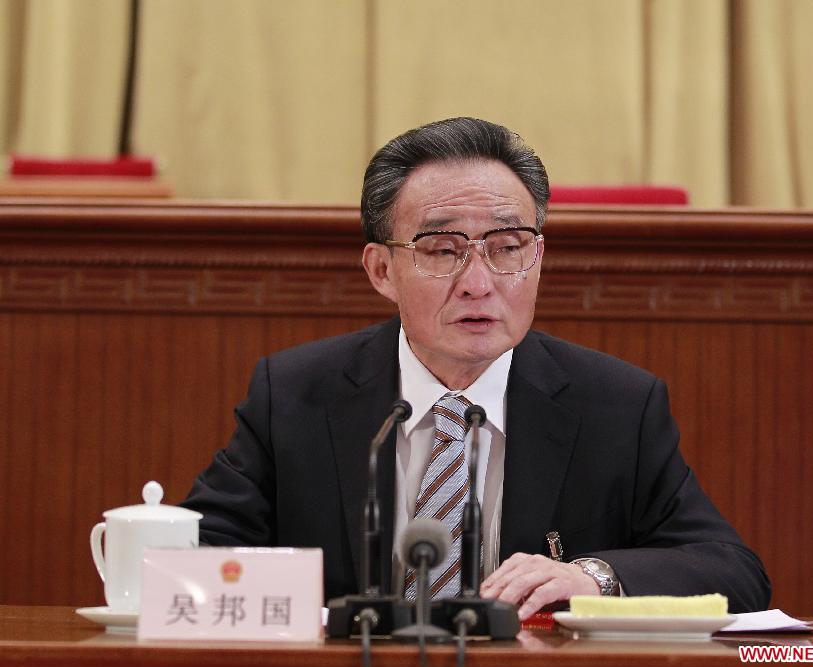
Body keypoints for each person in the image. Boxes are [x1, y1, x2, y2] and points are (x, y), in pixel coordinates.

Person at [182, 117, 771, 618]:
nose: (478, 284)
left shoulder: (616, 405)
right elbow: (196, 555)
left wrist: (594, 577)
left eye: (507, 247)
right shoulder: (296, 395)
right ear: (381, 270)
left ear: (537, 258)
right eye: (443, 251)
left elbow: (733, 572)